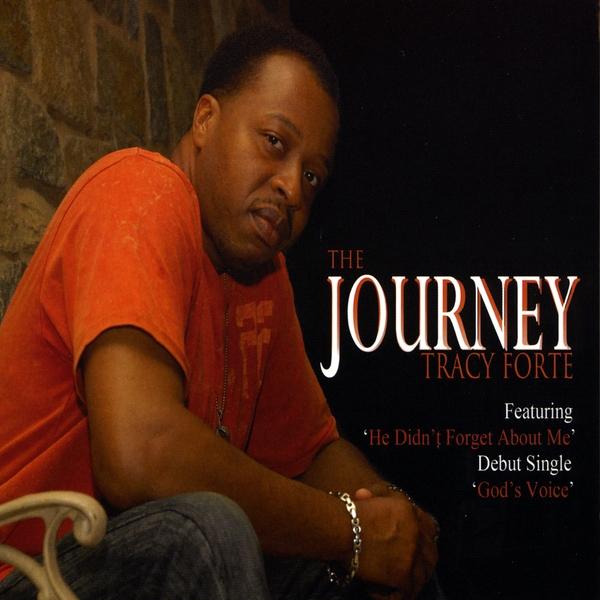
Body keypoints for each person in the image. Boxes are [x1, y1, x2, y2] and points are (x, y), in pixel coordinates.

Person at [0, 23, 442, 600]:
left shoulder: (262, 273)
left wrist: (395, 524)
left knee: (378, 569)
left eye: (312, 176)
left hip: (116, 558)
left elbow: (311, 455)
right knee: (208, 529)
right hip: (24, 568)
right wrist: (352, 531)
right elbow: (138, 455)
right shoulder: (139, 191)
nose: (293, 189)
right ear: (206, 120)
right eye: (275, 142)